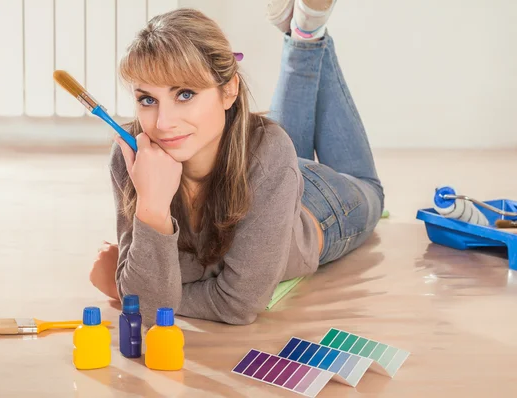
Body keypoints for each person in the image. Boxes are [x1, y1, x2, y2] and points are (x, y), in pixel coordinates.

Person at [90, 0, 384, 325]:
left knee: (361, 182)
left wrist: (127, 288)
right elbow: (147, 308)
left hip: (324, 207)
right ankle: (304, 29)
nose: (163, 122)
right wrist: (152, 208)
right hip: (272, 173)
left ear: (229, 90)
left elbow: (237, 304)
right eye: (148, 99)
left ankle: (307, 34)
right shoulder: (131, 156)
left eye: (185, 94)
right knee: (276, 145)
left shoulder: (269, 152)